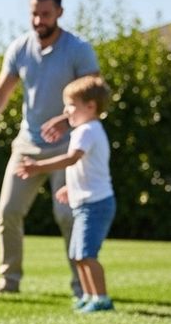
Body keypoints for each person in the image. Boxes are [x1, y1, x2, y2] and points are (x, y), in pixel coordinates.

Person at [0, 0, 100, 297]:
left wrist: (67, 119)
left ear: (60, 13)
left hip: (69, 147)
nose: (39, 20)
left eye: (46, 14)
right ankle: (9, 281)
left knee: (67, 214)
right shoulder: (20, 49)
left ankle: (82, 286)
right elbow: (1, 92)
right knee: (8, 211)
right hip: (27, 145)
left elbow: (96, 92)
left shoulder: (78, 49)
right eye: (34, 14)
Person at [16, 75, 116, 312]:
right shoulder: (90, 130)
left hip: (95, 204)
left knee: (86, 254)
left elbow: (72, 159)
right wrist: (70, 188)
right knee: (78, 254)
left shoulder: (86, 131)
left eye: (71, 105)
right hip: (86, 202)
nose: (65, 111)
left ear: (90, 107)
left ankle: (101, 298)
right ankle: (89, 296)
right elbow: (87, 167)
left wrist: (37, 166)